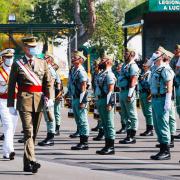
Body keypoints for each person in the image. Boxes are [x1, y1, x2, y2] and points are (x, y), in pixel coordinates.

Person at [7, 36, 51, 173]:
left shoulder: (42, 62)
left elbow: (48, 81)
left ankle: (27, 164)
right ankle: (33, 160)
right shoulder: (17, 63)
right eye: (31, 47)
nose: (33, 49)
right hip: (24, 100)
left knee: (34, 134)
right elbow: (11, 84)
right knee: (28, 132)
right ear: (25, 48)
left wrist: (49, 98)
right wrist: (10, 104)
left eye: (34, 47)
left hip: (39, 101)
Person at [148, 46, 174, 160]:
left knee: (163, 124)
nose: (154, 54)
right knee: (157, 124)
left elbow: (169, 85)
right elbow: (148, 64)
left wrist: (168, 100)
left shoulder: (165, 69)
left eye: (157, 53)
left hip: (162, 99)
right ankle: (162, 148)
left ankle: (166, 151)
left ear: (162, 56)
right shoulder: (155, 68)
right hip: (155, 99)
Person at [67, 50, 90, 150]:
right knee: (78, 120)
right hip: (75, 97)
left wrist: (83, 101)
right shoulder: (74, 70)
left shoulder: (81, 71)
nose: (72, 59)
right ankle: (81, 140)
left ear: (80, 60)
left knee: (83, 120)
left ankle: (84, 142)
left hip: (80, 99)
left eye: (75, 58)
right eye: (72, 58)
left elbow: (84, 86)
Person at [95, 53, 116, 155]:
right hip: (100, 99)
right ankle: (106, 145)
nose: (100, 62)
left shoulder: (109, 74)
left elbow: (111, 90)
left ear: (108, 61)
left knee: (109, 123)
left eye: (103, 60)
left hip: (106, 100)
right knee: (104, 123)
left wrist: (109, 103)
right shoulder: (101, 73)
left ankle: (111, 146)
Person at [118, 48, 139, 144]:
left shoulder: (133, 66)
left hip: (128, 91)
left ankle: (132, 135)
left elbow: (133, 81)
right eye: (124, 53)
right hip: (122, 91)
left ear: (131, 55)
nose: (124, 55)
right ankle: (128, 134)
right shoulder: (125, 65)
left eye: (126, 53)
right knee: (125, 114)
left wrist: (130, 94)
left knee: (131, 114)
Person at [0, 49, 18, 160]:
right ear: (2, 58)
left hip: (15, 100)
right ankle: (11, 150)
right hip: (2, 101)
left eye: (11, 57)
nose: (10, 59)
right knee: (8, 126)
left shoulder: (16, 70)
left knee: (12, 128)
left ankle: (6, 152)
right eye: (7, 57)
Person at [138, 61, 153, 136]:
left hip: (147, 93)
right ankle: (148, 128)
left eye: (145, 65)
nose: (143, 66)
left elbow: (150, 84)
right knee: (145, 112)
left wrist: (150, 94)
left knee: (148, 112)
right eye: (143, 65)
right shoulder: (143, 74)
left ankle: (150, 129)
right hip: (142, 93)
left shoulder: (149, 73)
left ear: (149, 66)